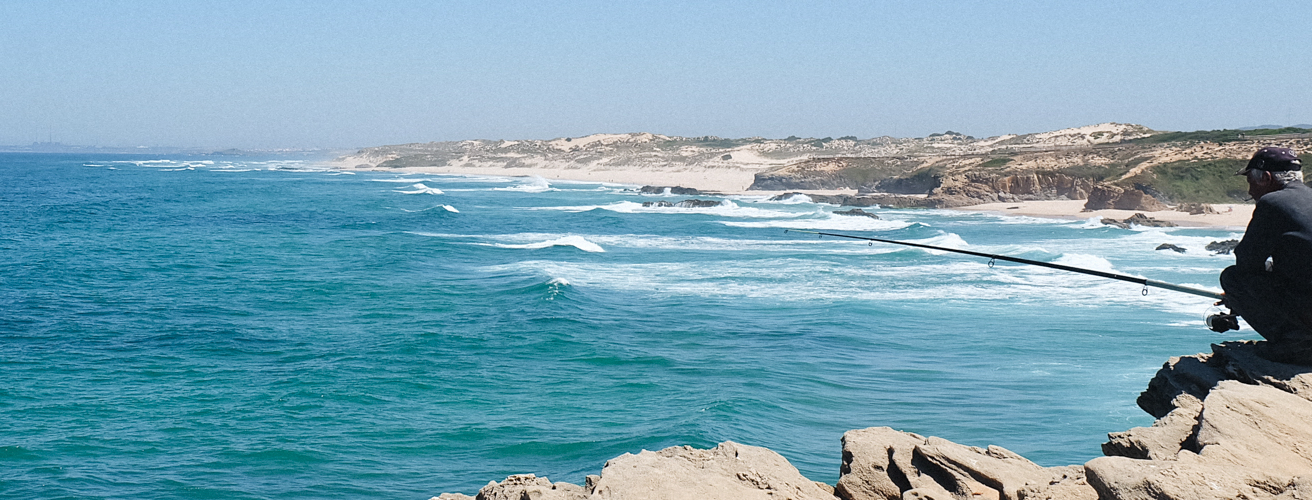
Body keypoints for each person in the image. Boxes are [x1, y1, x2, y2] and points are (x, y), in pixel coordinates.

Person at [1209, 146, 1312, 364]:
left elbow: (1246, 261)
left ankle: (1295, 344)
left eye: (1251, 183)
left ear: (1266, 178)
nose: (1250, 192)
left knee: (1233, 277)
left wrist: (1238, 300)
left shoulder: (1273, 203)